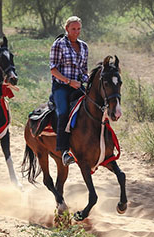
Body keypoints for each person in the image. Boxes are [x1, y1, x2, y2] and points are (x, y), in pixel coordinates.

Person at [49, 16, 89, 166]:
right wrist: (68, 81)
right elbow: (53, 69)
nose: (76, 32)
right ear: (66, 29)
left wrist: (87, 79)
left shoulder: (84, 46)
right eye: (73, 29)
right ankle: (64, 151)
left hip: (78, 85)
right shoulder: (58, 44)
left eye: (78, 29)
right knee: (63, 112)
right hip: (61, 87)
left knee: (96, 106)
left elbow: (84, 70)